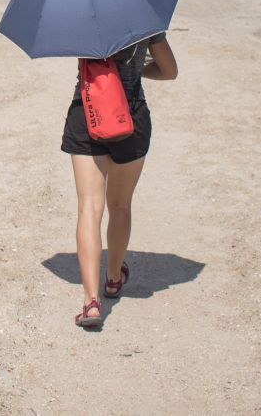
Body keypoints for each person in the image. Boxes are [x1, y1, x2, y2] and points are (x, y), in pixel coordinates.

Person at [61, 33, 179, 328]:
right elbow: (169, 71)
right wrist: (137, 69)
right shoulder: (144, 23)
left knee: (89, 208)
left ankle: (90, 302)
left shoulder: (78, 20)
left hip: (87, 112)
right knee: (120, 205)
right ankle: (113, 278)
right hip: (130, 113)